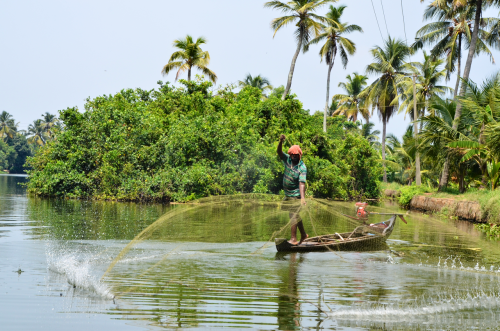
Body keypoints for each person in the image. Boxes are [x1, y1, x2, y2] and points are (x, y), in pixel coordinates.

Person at [277, 134, 308, 245]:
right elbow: (279, 153)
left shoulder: (302, 167)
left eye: (296, 155)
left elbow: (302, 183)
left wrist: (302, 198)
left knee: (293, 214)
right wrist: (280, 141)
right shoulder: (287, 160)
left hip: (296, 195)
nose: (294, 157)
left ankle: (293, 239)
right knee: (296, 215)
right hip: (288, 194)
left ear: (299, 155)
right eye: (292, 155)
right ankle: (303, 235)